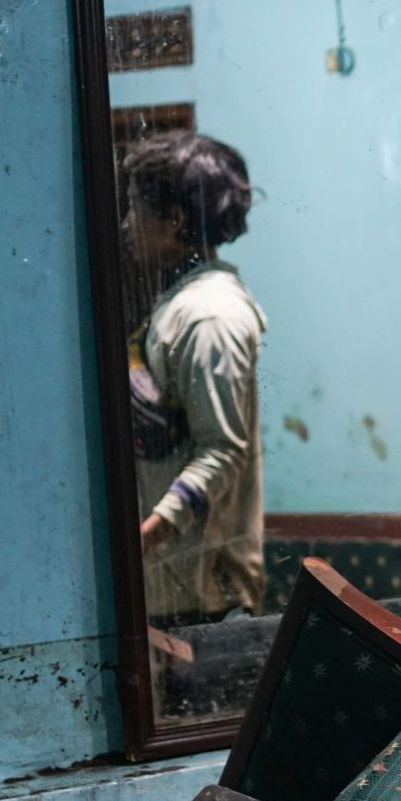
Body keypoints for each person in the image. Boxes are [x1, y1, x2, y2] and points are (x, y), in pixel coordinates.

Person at [122, 131, 267, 627]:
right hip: (176, 590)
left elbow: (222, 450)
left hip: (203, 599)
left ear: (175, 221)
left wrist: (144, 538)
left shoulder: (209, 316)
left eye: (136, 208)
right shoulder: (181, 304)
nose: (126, 224)